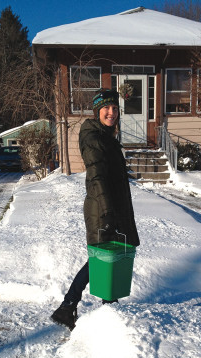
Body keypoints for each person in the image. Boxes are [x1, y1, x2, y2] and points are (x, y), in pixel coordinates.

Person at [51, 89, 140, 330]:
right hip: (103, 208)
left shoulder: (106, 136)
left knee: (105, 259)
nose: (111, 113)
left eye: (114, 109)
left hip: (109, 206)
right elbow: (97, 177)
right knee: (102, 259)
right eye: (106, 109)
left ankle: (79, 307)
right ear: (97, 111)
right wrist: (108, 211)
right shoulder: (94, 137)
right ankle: (75, 308)